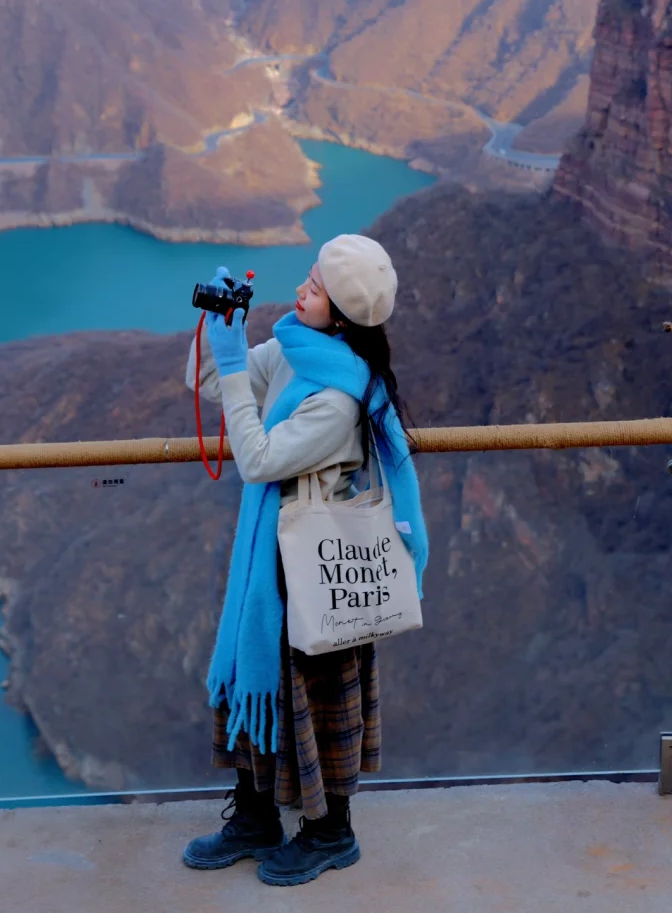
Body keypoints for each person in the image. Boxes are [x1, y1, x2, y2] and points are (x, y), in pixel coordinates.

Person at [181, 233, 428, 888]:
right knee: (256, 678)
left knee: (316, 696)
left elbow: (257, 457)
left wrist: (237, 367)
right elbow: (207, 381)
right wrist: (217, 329)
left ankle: (331, 831)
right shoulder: (295, 349)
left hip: (317, 569)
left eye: (315, 287)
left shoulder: (337, 398)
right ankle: (258, 815)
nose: (300, 290)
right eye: (309, 276)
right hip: (273, 560)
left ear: (342, 316)